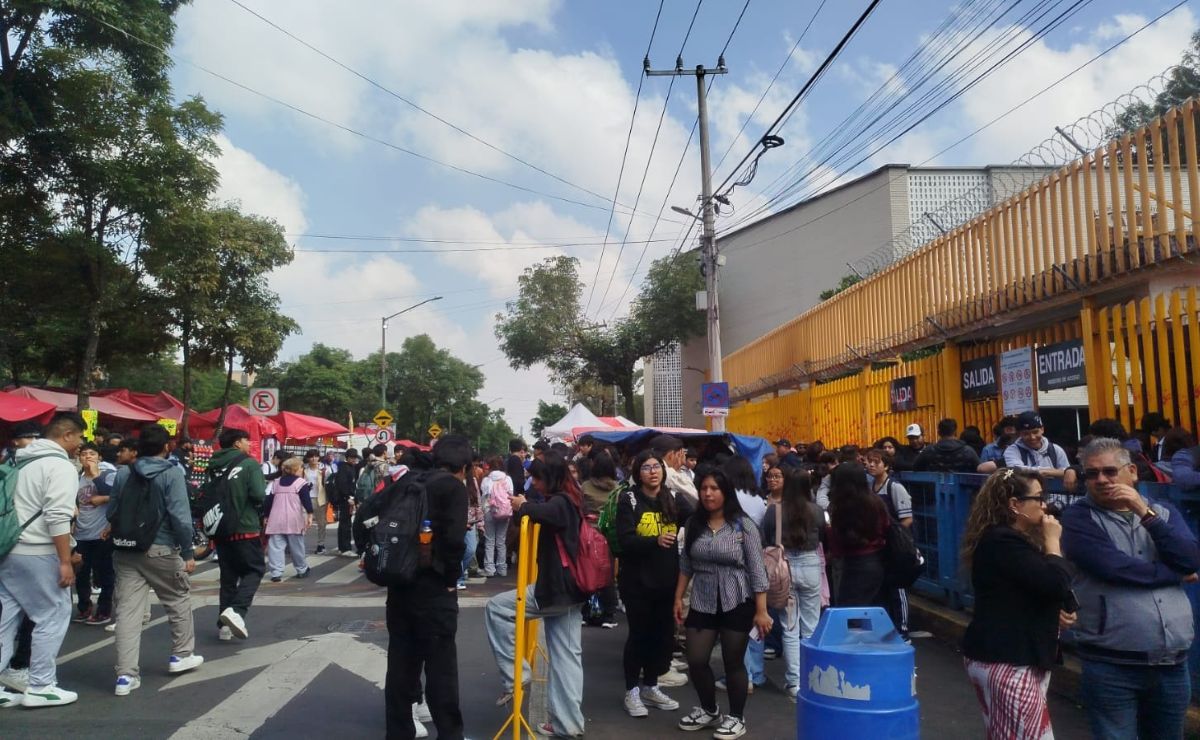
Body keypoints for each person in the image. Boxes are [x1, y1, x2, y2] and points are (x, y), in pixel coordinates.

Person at [1061, 437, 1200, 739]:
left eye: (1110, 471)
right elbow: (1114, 568)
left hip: (1171, 661)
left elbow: (1189, 558)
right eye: (1091, 474)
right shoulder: (1079, 518)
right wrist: (1176, 574)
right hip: (1111, 662)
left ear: (1132, 472)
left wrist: (1143, 511)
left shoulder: (1162, 513)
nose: (1101, 480)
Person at [960, 468, 1073, 739]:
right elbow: (1054, 583)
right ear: (1014, 505)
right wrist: (1053, 543)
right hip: (1011, 660)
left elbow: (1021, 590)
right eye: (1038, 498)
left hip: (1004, 655)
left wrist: (1055, 610)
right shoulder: (1004, 542)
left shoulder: (1002, 540)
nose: (1044, 505)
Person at [486, 451, 587, 738]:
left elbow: (545, 512)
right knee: (567, 658)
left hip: (554, 588)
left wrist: (523, 505)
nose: (534, 483)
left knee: (496, 608)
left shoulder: (561, 502)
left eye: (537, 478)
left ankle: (516, 673)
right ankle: (567, 724)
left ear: (550, 478)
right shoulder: (573, 497)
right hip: (572, 588)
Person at [673, 468, 771, 740]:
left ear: (725, 492)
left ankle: (737, 718)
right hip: (703, 599)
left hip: (737, 599)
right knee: (695, 659)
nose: (708, 494)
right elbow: (686, 564)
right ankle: (709, 709)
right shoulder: (694, 524)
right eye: (704, 488)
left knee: (733, 662)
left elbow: (757, 569)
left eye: (714, 488)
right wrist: (678, 597)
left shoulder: (743, 525)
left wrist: (761, 611)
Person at [382, 434, 469, 740]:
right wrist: (450, 581)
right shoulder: (453, 488)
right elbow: (457, 540)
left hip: (400, 585)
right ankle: (449, 734)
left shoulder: (407, 482)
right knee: (441, 668)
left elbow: (367, 515)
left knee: (401, 666)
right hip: (434, 588)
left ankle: (398, 732)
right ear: (464, 466)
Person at [110, 424, 204, 697]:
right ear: (167, 447)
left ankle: (125, 677)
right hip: (162, 549)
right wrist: (187, 552)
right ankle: (181, 655)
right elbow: (181, 518)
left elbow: (112, 511)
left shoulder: (123, 473)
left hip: (126, 551)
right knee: (177, 599)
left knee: (128, 612)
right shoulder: (172, 473)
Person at [0, 412, 86, 708]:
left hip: (8, 547)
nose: (80, 445)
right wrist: (65, 560)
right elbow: (57, 516)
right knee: (53, 613)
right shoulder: (59, 466)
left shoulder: (16, 461)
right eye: (79, 438)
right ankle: (41, 685)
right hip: (38, 551)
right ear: (66, 435)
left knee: (6, 618)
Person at [616, 449, 694, 718]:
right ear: (638, 473)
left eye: (657, 466)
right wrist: (655, 540)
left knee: (661, 638)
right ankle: (631, 692)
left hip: (666, 581)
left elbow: (696, 515)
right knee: (638, 636)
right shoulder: (628, 499)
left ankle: (650, 686)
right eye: (646, 467)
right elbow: (625, 540)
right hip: (636, 582)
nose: (652, 471)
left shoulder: (672, 498)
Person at [761, 466, 824, 701]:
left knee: (789, 628)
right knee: (810, 627)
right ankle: (812, 679)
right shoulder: (816, 511)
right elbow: (823, 538)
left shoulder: (773, 511)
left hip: (782, 567)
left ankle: (793, 682)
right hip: (809, 565)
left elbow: (766, 538)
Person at [208, 429, 267, 641]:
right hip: (244, 526)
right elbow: (259, 494)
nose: (249, 443)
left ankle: (224, 627)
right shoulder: (249, 463)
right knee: (255, 570)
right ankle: (237, 611)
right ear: (236, 443)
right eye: (246, 440)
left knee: (229, 576)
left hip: (220, 527)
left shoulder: (213, 463)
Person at [864, 447, 913, 636]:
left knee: (897, 588)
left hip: (894, 548)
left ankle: (903, 629)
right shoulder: (870, 488)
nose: (871, 465)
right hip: (878, 547)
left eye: (875, 462)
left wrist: (894, 538)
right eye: (868, 461)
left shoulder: (895, 487)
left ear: (886, 465)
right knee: (881, 588)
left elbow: (907, 519)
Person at [826, 463, 890, 608]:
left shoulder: (839, 506)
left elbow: (837, 542)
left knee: (850, 610)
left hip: (852, 563)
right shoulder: (876, 501)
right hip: (877, 560)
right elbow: (886, 526)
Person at [73, 442, 115, 626]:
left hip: (102, 534)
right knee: (81, 574)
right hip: (81, 533)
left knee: (104, 574)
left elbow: (117, 496)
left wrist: (97, 478)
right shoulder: (76, 478)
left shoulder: (108, 476)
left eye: (92, 453)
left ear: (99, 457)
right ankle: (84, 607)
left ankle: (104, 611)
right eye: (84, 454)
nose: (87, 457)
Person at [1004, 412, 1077, 510]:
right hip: (1026, 505)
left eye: (1035, 432)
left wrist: (1057, 506)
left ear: (1042, 430)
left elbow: (1067, 474)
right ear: (1019, 434)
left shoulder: (1055, 450)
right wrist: (1053, 472)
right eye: (1026, 434)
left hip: (1057, 505)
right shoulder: (1012, 451)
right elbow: (1016, 470)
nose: (1032, 437)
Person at [580, 449, 620, 628]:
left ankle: (587, 611)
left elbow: (579, 509)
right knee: (608, 573)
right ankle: (609, 613)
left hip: (588, 534)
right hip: (608, 534)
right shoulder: (618, 488)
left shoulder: (585, 486)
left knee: (587, 572)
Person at [264, 457, 314, 583]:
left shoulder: (276, 482)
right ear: (296, 469)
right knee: (297, 546)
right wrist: (310, 514)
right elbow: (306, 500)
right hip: (293, 519)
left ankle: (276, 573)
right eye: (301, 467)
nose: (302, 469)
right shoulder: (301, 483)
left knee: (275, 547)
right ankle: (301, 569)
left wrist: (266, 516)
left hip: (276, 518)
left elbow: (268, 501)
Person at [480, 456, 514, 578]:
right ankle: (502, 568)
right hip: (504, 512)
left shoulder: (486, 480)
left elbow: (484, 496)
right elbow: (511, 494)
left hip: (490, 511)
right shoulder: (508, 478)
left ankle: (489, 568)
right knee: (501, 541)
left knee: (489, 540)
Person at [914, 418, 981, 473]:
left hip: (935, 489)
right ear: (955, 432)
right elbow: (979, 468)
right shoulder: (967, 451)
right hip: (964, 489)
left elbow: (915, 467)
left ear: (939, 433)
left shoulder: (929, 450)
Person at [651, 434, 697, 503]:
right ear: (671, 455)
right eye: (679, 454)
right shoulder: (670, 474)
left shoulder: (644, 468)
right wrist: (676, 471)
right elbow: (695, 498)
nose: (682, 457)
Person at [330, 449, 360, 555]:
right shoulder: (344, 468)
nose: (353, 459)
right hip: (345, 499)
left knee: (345, 523)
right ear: (347, 458)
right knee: (345, 524)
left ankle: (343, 547)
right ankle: (345, 548)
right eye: (351, 457)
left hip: (348, 498)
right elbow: (342, 484)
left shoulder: (350, 467)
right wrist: (348, 497)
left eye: (354, 457)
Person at [459, 468, 484, 590]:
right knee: (458, 549)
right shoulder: (452, 479)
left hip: (471, 521)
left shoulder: (472, 480)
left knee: (470, 549)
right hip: (456, 521)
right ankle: (458, 577)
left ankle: (459, 573)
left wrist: (480, 523)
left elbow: (478, 502)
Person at [302, 449, 329, 554]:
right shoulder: (304, 470)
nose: (314, 459)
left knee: (321, 523)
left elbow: (328, 484)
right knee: (303, 522)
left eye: (316, 456)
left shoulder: (324, 470)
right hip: (306, 498)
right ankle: (300, 544)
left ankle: (321, 544)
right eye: (311, 456)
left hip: (320, 498)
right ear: (308, 458)